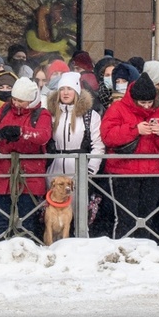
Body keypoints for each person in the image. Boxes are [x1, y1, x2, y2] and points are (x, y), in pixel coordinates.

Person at [100, 74, 159, 239]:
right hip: (124, 173)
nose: (146, 106)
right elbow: (108, 136)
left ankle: (144, 253)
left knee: (146, 218)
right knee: (125, 219)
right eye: (142, 103)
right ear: (134, 99)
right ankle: (122, 252)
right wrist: (135, 130)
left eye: (149, 102)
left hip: (153, 173)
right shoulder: (117, 108)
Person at [0, 77, 53, 239]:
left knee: (26, 221)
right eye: (14, 99)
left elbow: (43, 135)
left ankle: (25, 252)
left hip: (29, 175)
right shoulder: (6, 109)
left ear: (31, 100)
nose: (16, 104)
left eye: (21, 101)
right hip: (2, 173)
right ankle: (1, 252)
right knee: (0, 219)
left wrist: (21, 132)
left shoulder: (42, 114)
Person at [45, 72, 105, 234]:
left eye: (69, 89)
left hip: (79, 169)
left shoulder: (90, 116)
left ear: (77, 92)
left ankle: (80, 245)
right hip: (55, 169)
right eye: (62, 89)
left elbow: (98, 145)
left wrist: (90, 169)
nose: (65, 93)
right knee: (53, 217)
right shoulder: (50, 114)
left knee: (79, 214)